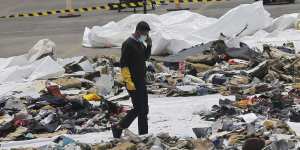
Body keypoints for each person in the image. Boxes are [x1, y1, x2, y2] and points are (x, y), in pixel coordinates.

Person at [112, 21, 152, 138]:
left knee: (144, 109)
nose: (146, 36)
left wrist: (149, 45)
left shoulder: (140, 43)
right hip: (132, 82)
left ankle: (143, 134)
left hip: (141, 80)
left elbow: (145, 57)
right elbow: (123, 64)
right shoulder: (128, 44)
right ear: (138, 31)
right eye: (145, 33)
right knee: (139, 108)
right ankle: (119, 126)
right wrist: (128, 80)